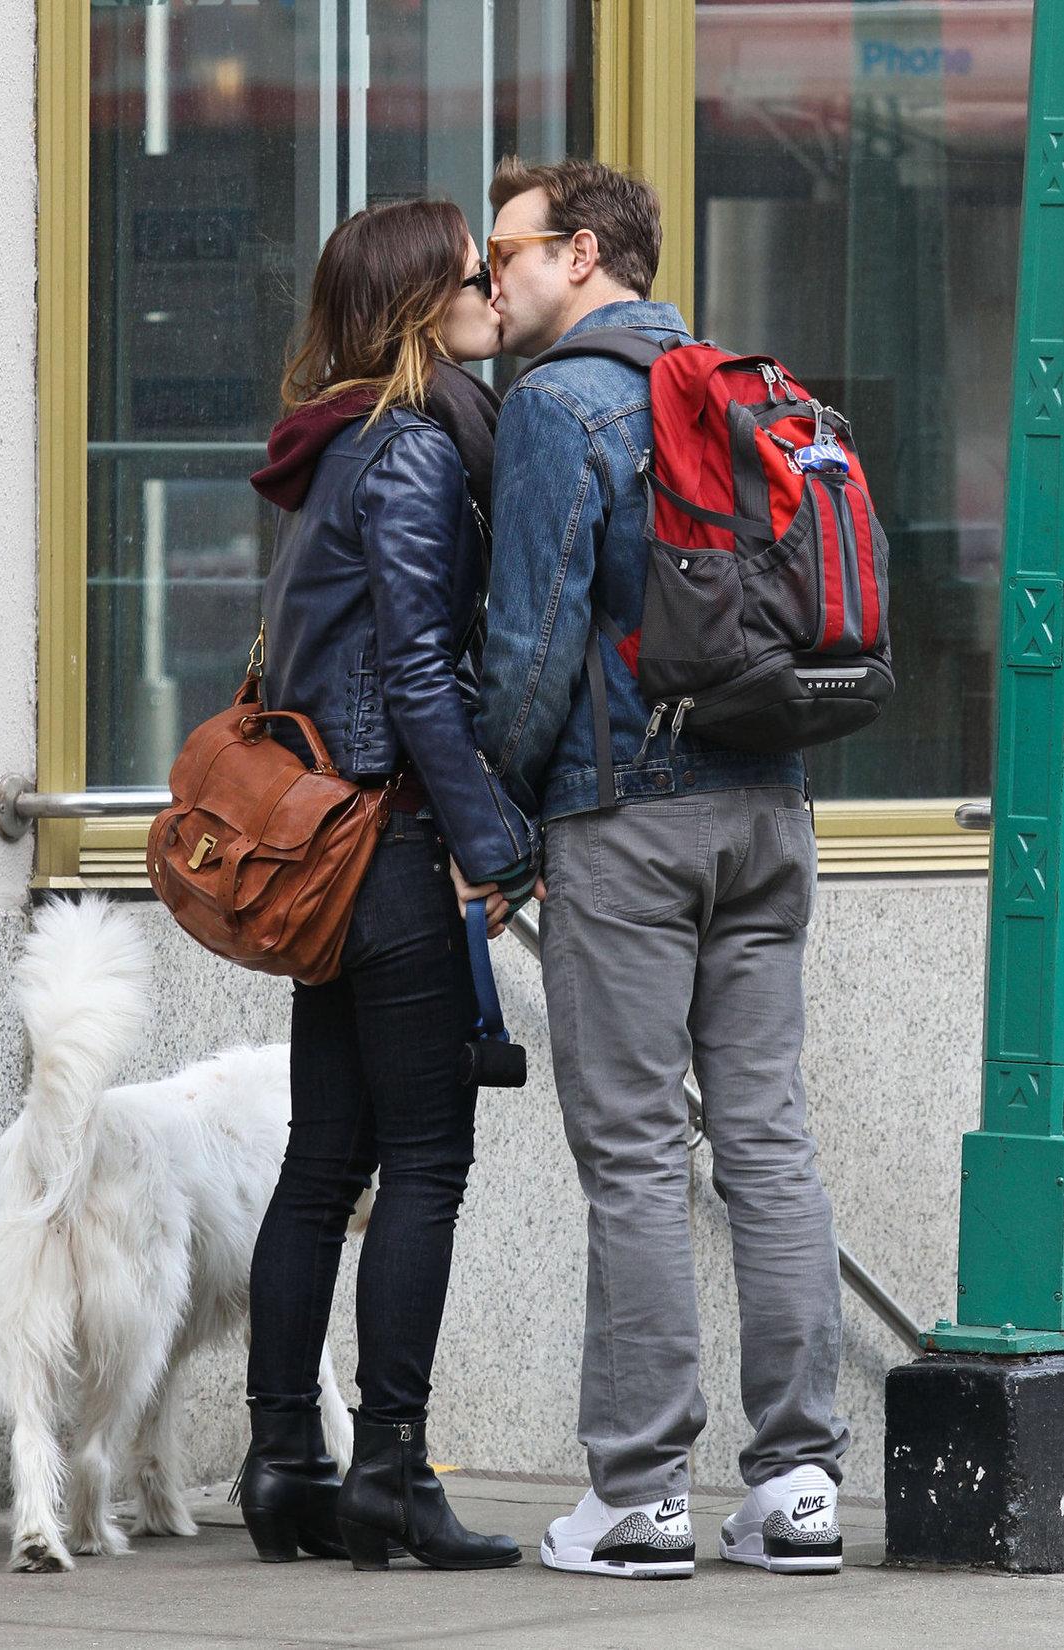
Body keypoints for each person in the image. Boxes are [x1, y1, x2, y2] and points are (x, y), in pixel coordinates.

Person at [466, 157, 849, 1579]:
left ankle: (636, 1493)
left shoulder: (560, 403)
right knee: (765, 1140)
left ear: (578, 253)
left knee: (631, 1153)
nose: (489, 278)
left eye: (504, 251)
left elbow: (528, 646)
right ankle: (799, 1480)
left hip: (628, 816)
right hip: (770, 807)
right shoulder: (748, 382)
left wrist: (498, 821)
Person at [240, 199, 536, 1573]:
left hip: (320, 849)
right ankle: (391, 1475)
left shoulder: (322, 453)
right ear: (425, 307)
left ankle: (281, 1460)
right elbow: (418, 669)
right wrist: (491, 840)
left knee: (319, 1165)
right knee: (423, 1159)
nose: (491, 291)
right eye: (472, 276)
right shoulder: (413, 450)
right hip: (392, 840)